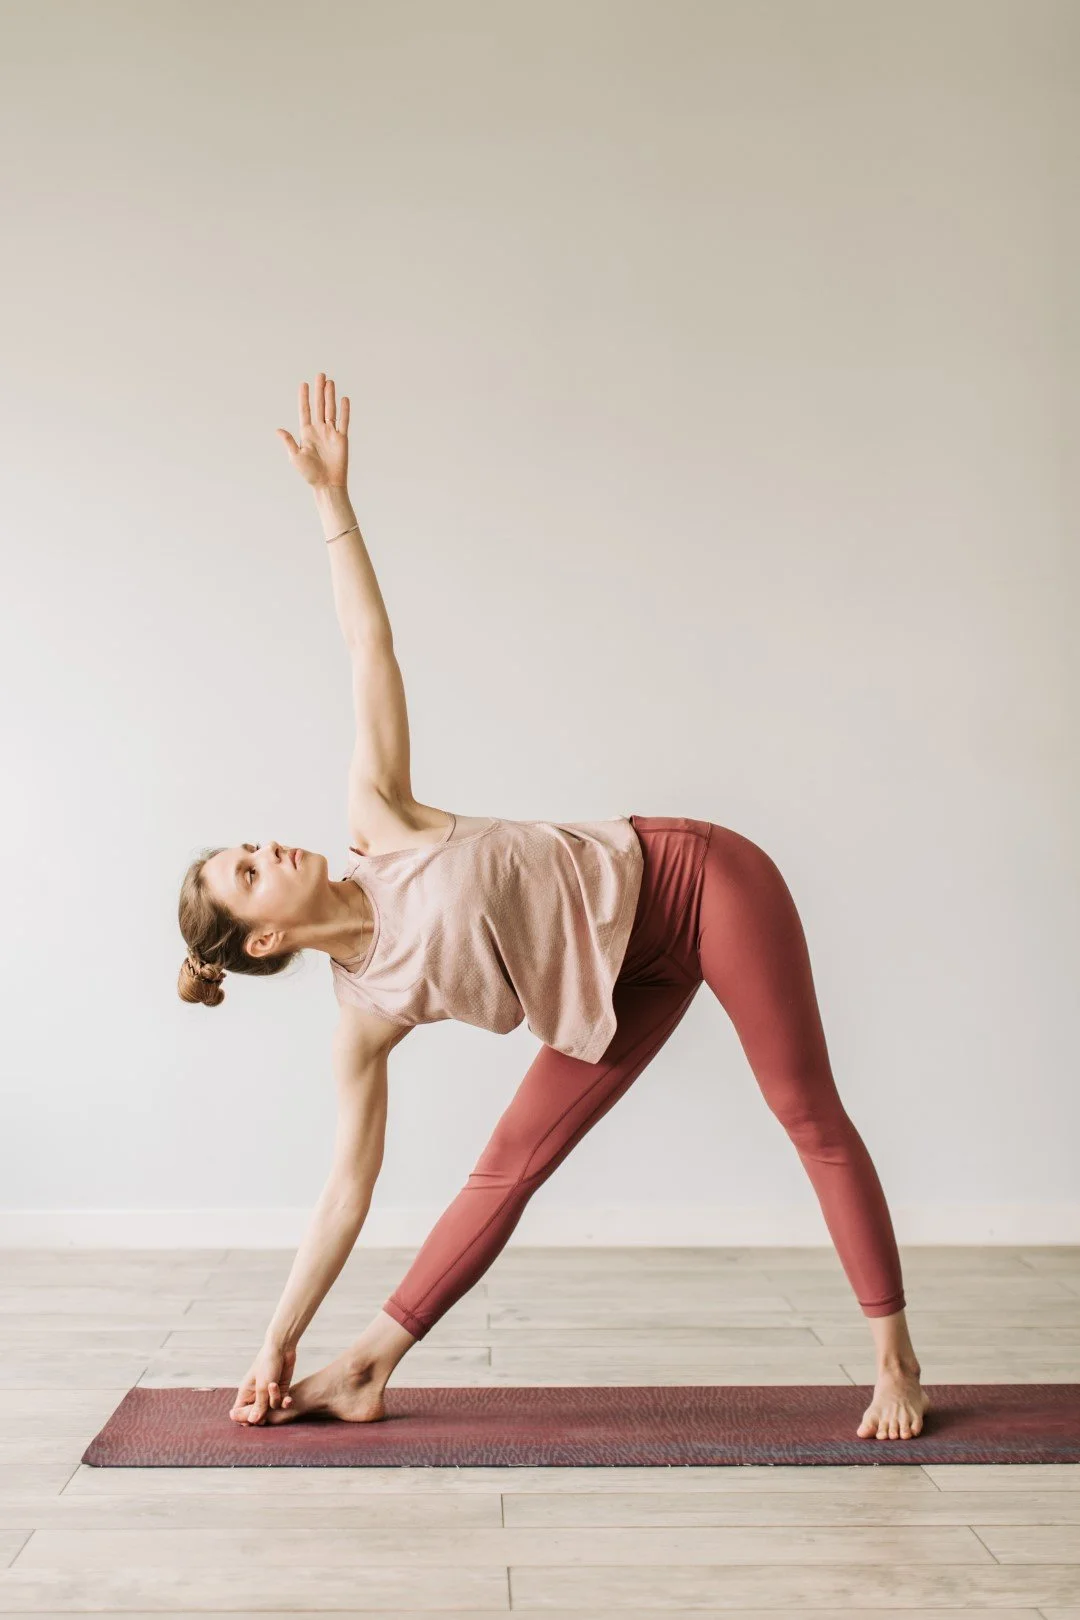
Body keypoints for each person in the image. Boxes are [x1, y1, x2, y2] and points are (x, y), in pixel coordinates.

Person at [179, 373, 928, 1443]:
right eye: (249, 872)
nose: (268, 849)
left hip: (695, 881)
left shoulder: (377, 819)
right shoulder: (364, 1017)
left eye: (249, 844)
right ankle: (362, 1367)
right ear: (262, 941)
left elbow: (368, 650)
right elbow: (344, 1195)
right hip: (617, 987)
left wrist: (331, 504)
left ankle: (896, 1358)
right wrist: (274, 1337)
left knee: (805, 1112)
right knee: (507, 1166)